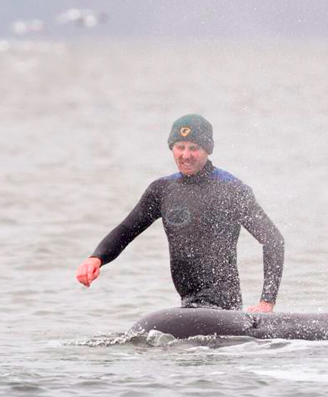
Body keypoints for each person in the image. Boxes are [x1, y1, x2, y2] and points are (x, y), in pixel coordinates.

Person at [75, 114, 285, 312]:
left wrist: (267, 301)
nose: (186, 155)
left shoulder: (231, 189)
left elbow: (273, 240)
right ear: (171, 148)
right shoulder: (163, 190)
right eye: (180, 147)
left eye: (194, 148)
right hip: (188, 305)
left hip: (224, 309)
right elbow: (127, 229)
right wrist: (96, 258)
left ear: (208, 150)